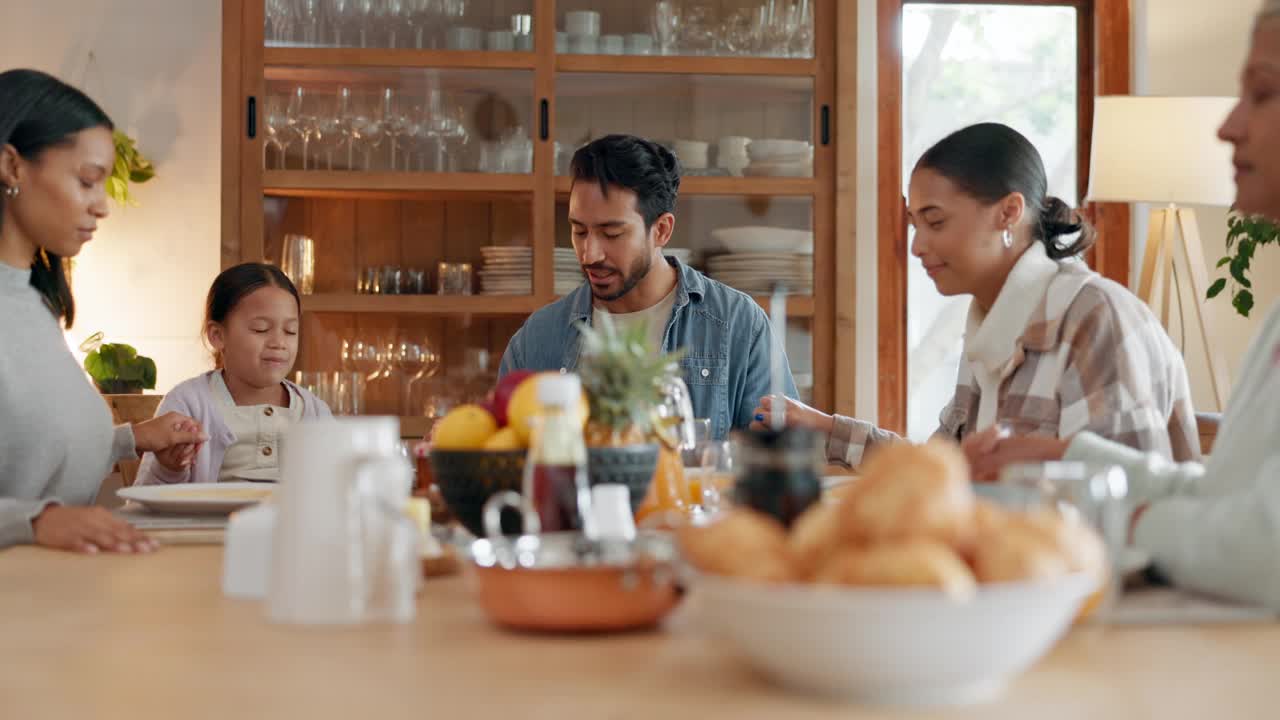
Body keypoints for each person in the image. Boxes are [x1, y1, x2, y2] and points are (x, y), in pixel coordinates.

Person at [966, 0, 1280, 610]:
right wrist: (1071, 460)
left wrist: (1118, 520)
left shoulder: (1094, 314)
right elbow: (1225, 499)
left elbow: (1264, 547)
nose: (1228, 126)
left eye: (1263, 95)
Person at [756, 122, 1200, 469]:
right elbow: (939, 471)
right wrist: (827, 428)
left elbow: (1124, 505)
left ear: (1009, 212)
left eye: (935, 222)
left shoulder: (1096, 318)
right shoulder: (990, 328)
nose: (916, 246)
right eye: (914, 225)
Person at [0, 69, 206, 553]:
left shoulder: (33, 304)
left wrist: (131, 439)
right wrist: (35, 523)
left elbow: (25, 445)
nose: (101, 206)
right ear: (11, 166)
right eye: (87, 181)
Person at [497, 134, 797, 440]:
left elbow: (781, 460)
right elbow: (501, 457)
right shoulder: (538, 338)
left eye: (611, 233)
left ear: (662, 230)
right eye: (578, 230)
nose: (589, 254)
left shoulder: (738, 323)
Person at [135, 263, 331, 485]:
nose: (279, 343)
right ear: (217, 335)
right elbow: (145, 502)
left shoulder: (315, 412)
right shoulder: (188, 403)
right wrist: (169, 468)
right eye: (260, 329)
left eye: (290, 331)